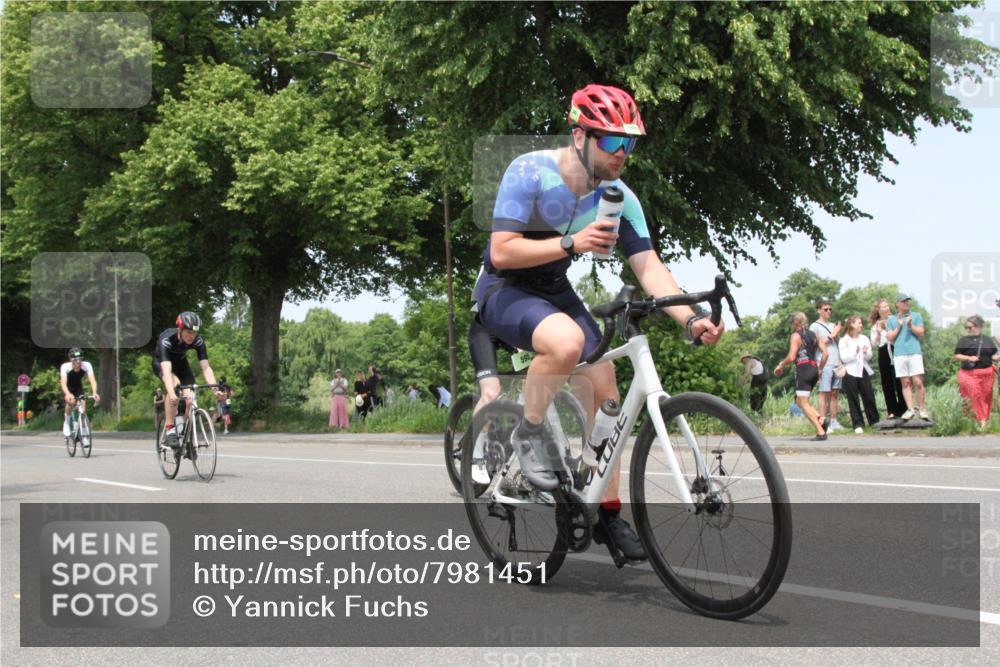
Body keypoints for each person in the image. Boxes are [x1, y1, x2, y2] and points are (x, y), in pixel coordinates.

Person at [470, 83, 723, 561]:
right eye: (612, 141)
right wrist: (573, 243)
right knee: (565, 344)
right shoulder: (530, 172)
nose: (623, 153)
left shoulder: (619, 197)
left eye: (630, 143)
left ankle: (605, 511)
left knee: (606, 385)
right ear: (580, 136)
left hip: (553, 291)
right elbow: (503, 249)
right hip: (504, 288)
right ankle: (527, 433)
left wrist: (690, 320)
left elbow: (649, 267)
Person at [153, 312, 224, 450]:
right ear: (180, 329)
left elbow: (206, 367)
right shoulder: (166, 339)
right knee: (174, 385)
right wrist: (172, 393)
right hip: (162, 364)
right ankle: (169, 428)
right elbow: (167, 371)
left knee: (190, 399)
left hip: (181, 364)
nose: (192, 336)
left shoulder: (198, 341)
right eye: (189, 332)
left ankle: (184, 433)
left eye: (195, 333)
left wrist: (215, 390)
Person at [774, 312, 828, 440]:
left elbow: (792, 357)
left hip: (804, 370)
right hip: (814, 368)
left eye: (792, 323)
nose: (791, 326)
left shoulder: (795, 336)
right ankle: (821, 419)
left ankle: (821, 432)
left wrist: (781, 365)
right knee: (799, 400)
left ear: (795, 323)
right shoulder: (814, 334)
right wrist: (820, 369)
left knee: (803, 403)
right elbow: (826, 354)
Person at [887, 294, 928, 420]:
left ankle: (922, 409)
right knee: (905, 382)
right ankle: (910, 409)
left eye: (907, 301)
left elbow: (921, 332)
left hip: (914, 351)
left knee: (918, 382)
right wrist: (899, 326)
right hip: (899, 353)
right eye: (903, 301)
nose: (906, 303)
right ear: (897, 304)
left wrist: (910, 326)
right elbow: (890, 337)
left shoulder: (916, 316)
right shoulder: (892, 319)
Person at [954, 314, 999, 428]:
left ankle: (983, 421)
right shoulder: (963, 340)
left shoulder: (988, 340)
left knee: (985, 397)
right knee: (972, 395)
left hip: (987, 373)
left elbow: (993, 356)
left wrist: (998, 357)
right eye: (967, 327)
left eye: (970, 327)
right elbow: (957, 355)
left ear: (978, 326)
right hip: (968, 373)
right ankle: (974, 420)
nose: (968, 329)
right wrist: (969, 358)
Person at [838, 316, 880, 433]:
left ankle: (874, 421)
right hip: (850, 371)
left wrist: (865, 352)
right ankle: (858, 424)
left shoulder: (864, 338)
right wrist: (855, 352)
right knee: (853, 398)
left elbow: (869, 356)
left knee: (869, 396)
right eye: (859, 323)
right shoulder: (843, 340)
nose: (861, 325)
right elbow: (844, 358)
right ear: (851, 324)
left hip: (863, 369)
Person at [869, 298, 906, 419]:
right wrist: (879, 332)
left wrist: (884, 330)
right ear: (878, 310)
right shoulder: (876, 325)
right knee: (886, 381)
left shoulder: (894, 320)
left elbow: (895, 337)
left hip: (896, 349)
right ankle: (892, 410)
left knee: (900, 379)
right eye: (884, 307)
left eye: (887, 306)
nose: (887, 308)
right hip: (883, 351)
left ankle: (904, 409)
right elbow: (873, 343)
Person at [810, 299, 843, 432]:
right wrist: (832, 335)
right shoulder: (815, 326)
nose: (829, 311)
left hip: (836, 363)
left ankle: (834, 421)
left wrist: (836, 334)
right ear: (819, 310)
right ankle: (823, 421)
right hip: (825, 363)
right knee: (824, 393)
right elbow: (815, 345)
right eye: (825, 309)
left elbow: (837, 343)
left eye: (830, 309)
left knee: (835, 393)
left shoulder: (832, 324)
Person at [60, 348, 101, 437]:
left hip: (78, 387)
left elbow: (92, 380)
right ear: (71, 360)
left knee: (83, 406)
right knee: (71, 402)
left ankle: (83, 432)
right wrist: (67, 394)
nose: (78, 362)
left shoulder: (86, 365)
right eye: (75, 360)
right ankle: (66, 422)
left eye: (80, 359)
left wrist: (94, 392)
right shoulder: (65, 366)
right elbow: (63, 383)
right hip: (67, 388)